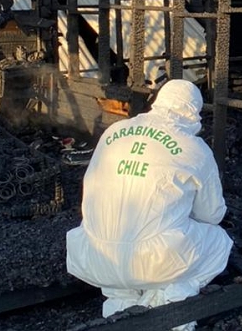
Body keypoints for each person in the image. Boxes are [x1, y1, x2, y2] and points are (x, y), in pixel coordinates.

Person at [66, 79, 233, 324]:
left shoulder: (113, 132)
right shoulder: (194, 148)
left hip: (94, 258)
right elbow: (212, 215)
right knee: (219, 242)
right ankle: (165, 303)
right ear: (192, 112)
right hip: (155, 262)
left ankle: (122, 305)